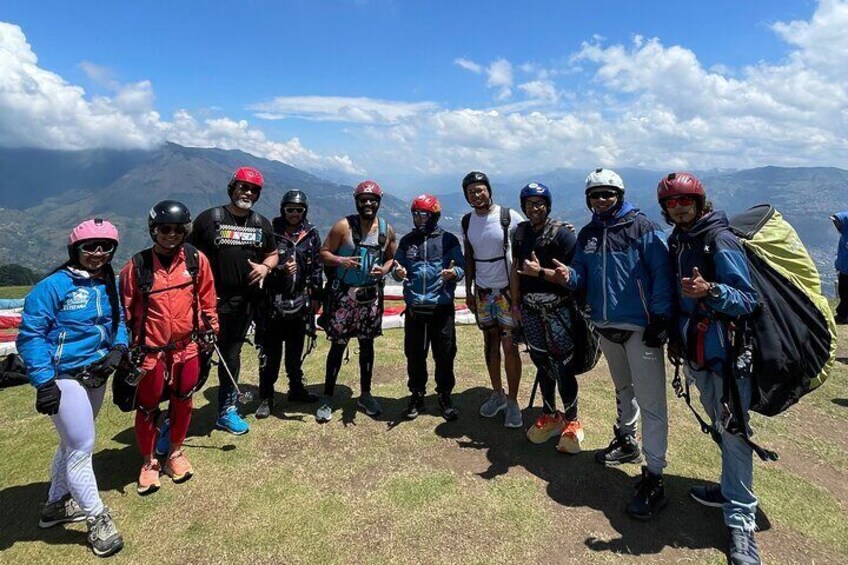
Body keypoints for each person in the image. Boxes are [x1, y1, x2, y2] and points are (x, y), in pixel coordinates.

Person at [552, 168, 673, 520]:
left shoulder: (642, 228)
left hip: (640, 328)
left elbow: (662, 275)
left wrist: (661, 319)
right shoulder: (589, 234)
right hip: (606, 325)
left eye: (608, 194)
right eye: (595, 195)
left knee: (652, 404)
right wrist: (568, 277)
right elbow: (581, 275)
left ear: (619, 195)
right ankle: (626, 440)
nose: (601, 200)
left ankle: (655, 476)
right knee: (623, 389)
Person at [659, 172, 761, 565]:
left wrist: (712, 291)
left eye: (686, 200)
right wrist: (675, 338)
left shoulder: (718, 239)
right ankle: (731, 487)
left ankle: (741, 522)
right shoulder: (679, 241)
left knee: (734, 431)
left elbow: (748, 300)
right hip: (698, 350)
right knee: (722, 427)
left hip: (729, 353)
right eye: (672, 202)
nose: (679, 206)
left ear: (700, 202)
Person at [17, 218, 127, 558]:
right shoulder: (52, 287)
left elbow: (119, 321)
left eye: (105, 247)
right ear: (74, 250)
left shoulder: (107, 281)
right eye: (89, 247)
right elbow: (31, 336)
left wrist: (118, 349)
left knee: (71, 442)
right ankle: (97, 519)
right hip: (64, 377)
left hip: (95, 373)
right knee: (81, 446)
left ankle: (54, 505)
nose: (97, 253)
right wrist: (44, 382)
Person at [120, 201, 218, 495]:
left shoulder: (195, 260)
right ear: (154, 230)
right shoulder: (136, 267)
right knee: (148, 407)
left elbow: (208, 299)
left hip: (187, 347)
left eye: (178, 229)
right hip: (150, 352)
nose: (172, 235)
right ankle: (148, 463)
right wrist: (125, 350)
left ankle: (174, 452)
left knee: (184, 399)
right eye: (165, 229)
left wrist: (211, 330)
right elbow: (125, 311)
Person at [188, 166, 278, 435]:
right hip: (207, 304)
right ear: (232, 188)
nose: (247, 192)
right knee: (196, 359)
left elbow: (272, 253)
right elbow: (188, 256)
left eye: (253, 190)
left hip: (243, 305)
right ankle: (178, 413)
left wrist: (266, 267)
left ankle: (226, 410)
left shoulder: (261, 224)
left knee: (231, 356)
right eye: (243, 187)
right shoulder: (209, 219)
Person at [316, 180, 397, 422]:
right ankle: (328, 396)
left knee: (367, 346)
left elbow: (392, 258)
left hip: (370, 297)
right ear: (357, 201)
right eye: (364, 200)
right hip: (343, 295)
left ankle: (366, 394)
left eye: (373, 200)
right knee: (338, 345)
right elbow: (323, 253)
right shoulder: (343, 226)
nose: (368, 204)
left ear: (379, 202)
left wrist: (383, 270)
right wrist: (341, 261)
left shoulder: (386, 230)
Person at [511, 183, 582, 453]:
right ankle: (551, 414)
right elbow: (515, 270)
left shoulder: (563, 236)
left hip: (558, 309)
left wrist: (539, 272)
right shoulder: (520, 233)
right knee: (541, 362)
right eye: (529, 204)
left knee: (562, 365)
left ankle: (573, 419)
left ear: (548, 205)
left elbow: (572, 279)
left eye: (539, 203)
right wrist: (515, 305)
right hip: (529, 309)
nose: (535, 208)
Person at [461, 171, 525, 429]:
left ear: (489, 190)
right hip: (483, 291)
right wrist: (468, 290)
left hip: (506, 291)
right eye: (471, 192)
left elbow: (528, 240)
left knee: (509, 345)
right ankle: (497, 393)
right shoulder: (467, 222)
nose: (477, 195)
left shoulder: (508, 217)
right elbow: (468, 257)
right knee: (490, 341)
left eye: (480, 190)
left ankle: (512, 400)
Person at [392, 194, 465, 421]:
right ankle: (417, 394)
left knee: (444, 354)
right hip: (415, 308)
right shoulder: (407, 241)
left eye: (424, 214)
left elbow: (462, 267)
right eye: (415, 214)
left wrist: (454, 273)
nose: (419, 219)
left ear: (434, 215)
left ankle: (444, 394)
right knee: (414, 354)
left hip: (441, 307)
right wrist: (398, 273)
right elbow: (397, 268)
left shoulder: (449, 241)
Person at [254, 190, 323, 419]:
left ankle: (296, 389)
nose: (294, 214)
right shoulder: (270, 232)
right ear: (282, 209)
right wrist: (280, 271)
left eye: (299, 210)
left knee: (295, 353)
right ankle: (266, 396)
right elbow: (260, 267)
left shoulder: (311, 235)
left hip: (300, 304)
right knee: (271, 355)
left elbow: (316, 268)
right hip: (272, 304)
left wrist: (316, 297)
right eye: (290, 209)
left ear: (305, 211)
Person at [831, 211, 848, 324]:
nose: (836, 225)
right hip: (844, 270)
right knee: (843, 292)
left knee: (846, 294)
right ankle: (842, 314)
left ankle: (844, 316)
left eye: (838, 223)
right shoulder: (845, 234)